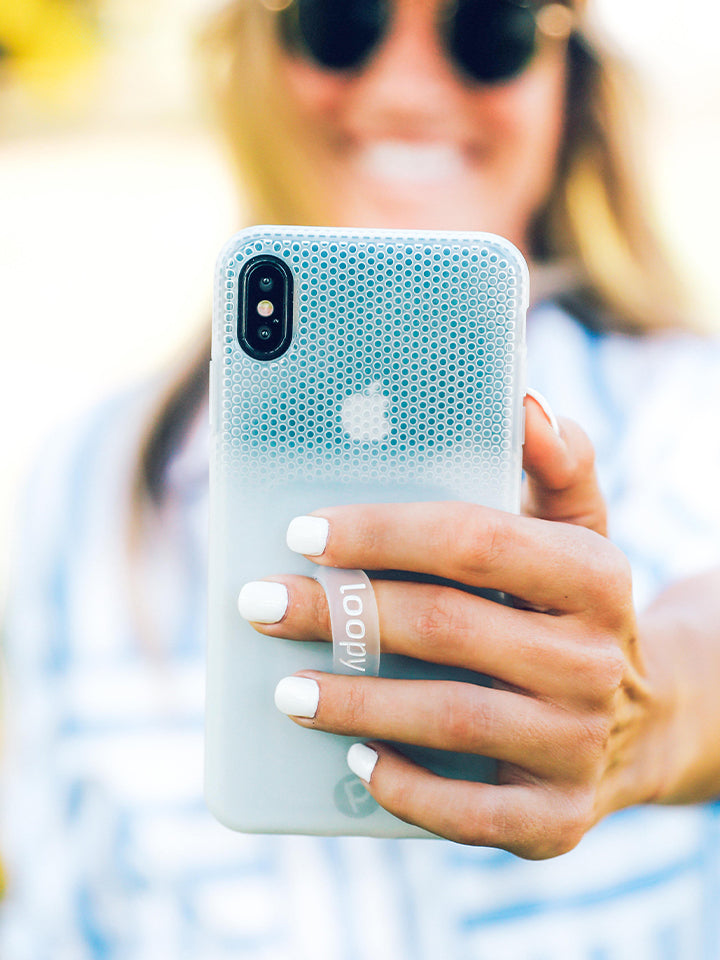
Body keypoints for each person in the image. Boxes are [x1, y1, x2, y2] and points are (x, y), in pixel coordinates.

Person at [3, 0, 720, 956]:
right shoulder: (86, 486)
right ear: (247, 58)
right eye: (340, 23)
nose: (409, 87)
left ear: (570, 80)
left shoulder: (688, 411)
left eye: (489, 31)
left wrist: (658, 704)